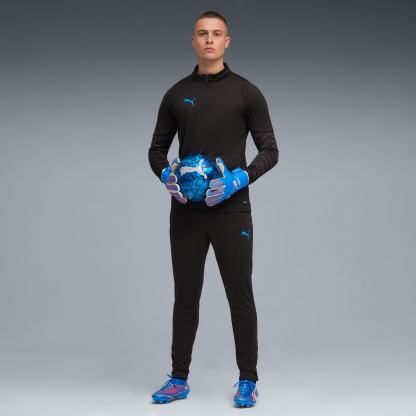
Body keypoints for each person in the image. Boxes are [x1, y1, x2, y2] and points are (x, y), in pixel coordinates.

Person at [148, 10, 278, 407]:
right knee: (186, 296)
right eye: (202, 33)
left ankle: (248, 380)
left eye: (216, 33)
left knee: (240, 294)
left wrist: (240, 178)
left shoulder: (246, 93)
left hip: (231, 210)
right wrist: (166, 176)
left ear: (227, 41)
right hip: (186, 211)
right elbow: (156, 149)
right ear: (193, 41)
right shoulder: (176, 94)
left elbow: (270, 150)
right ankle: (178, 379)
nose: (209, 39)